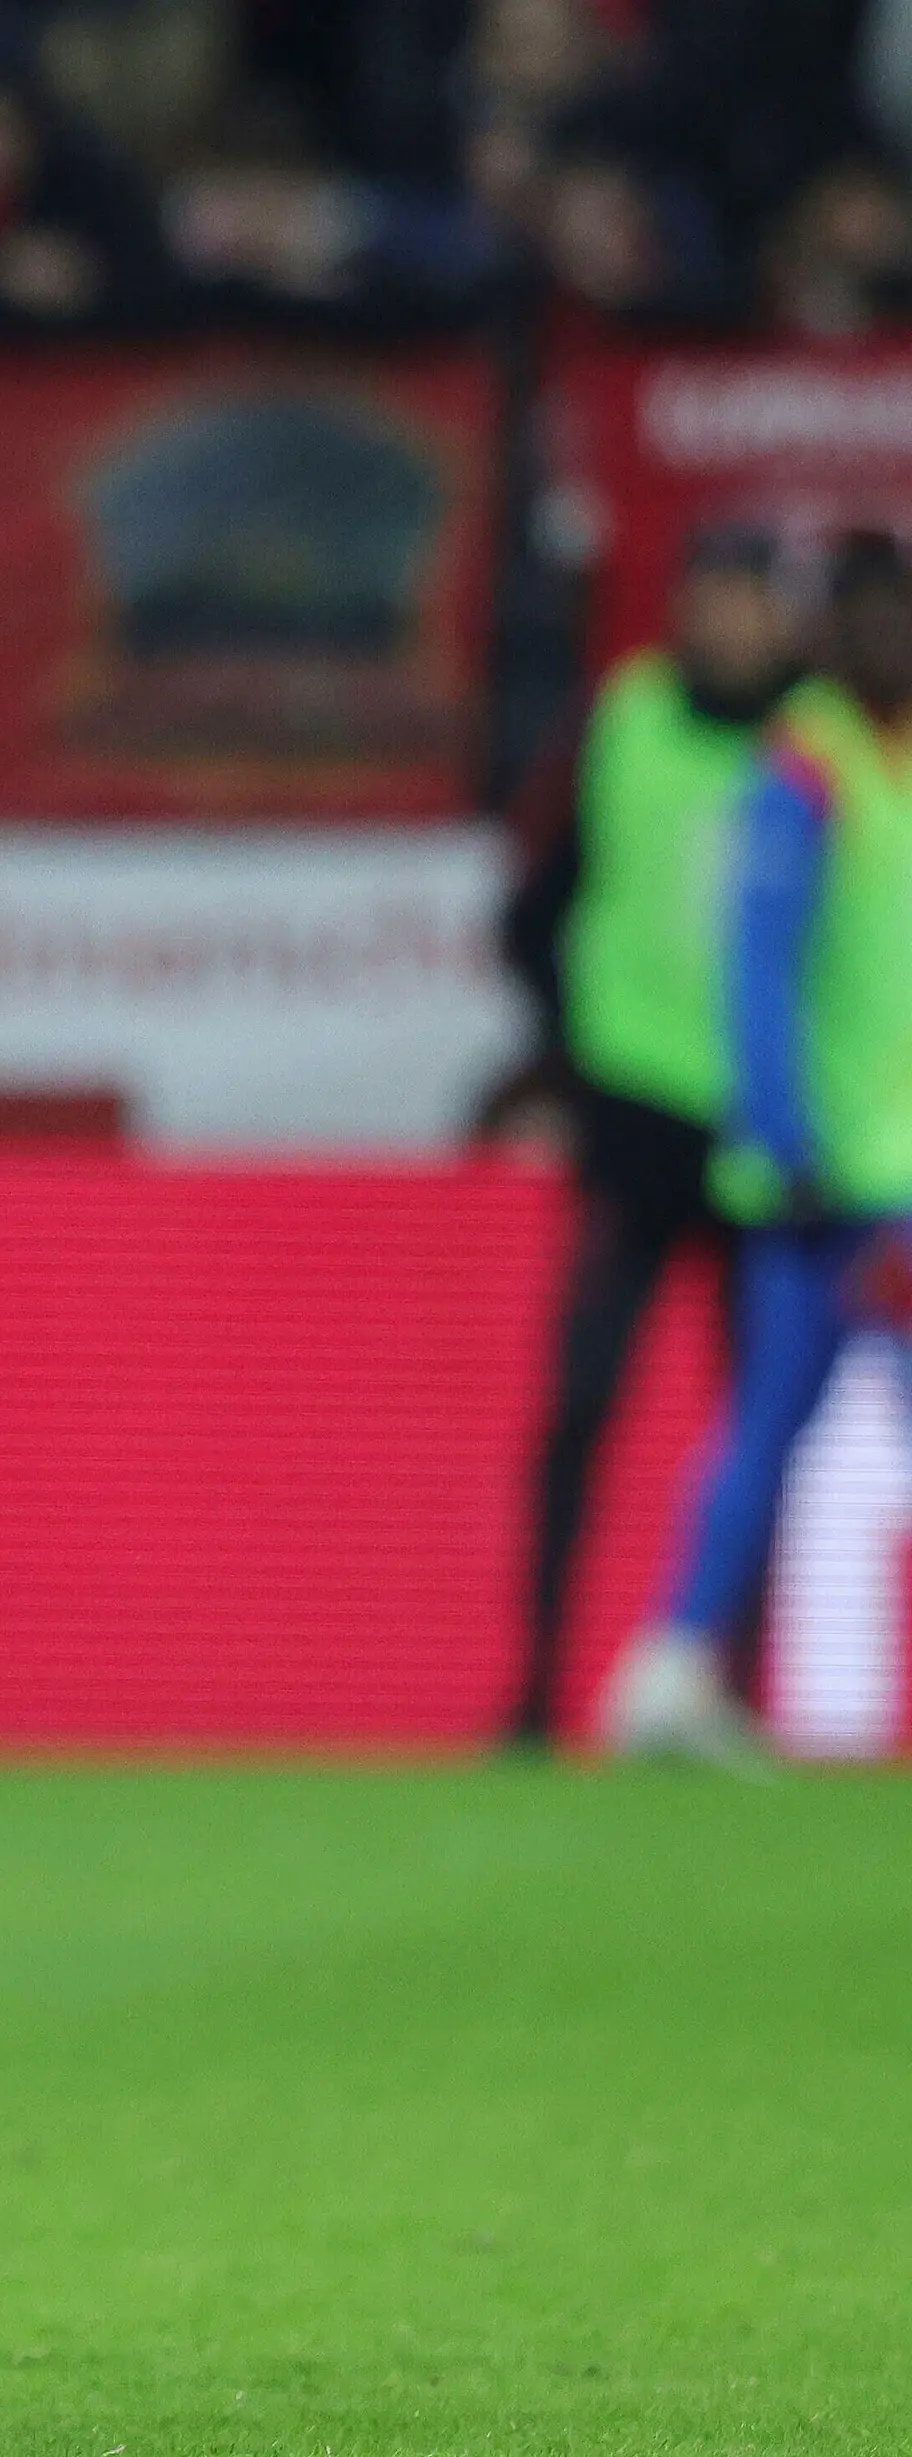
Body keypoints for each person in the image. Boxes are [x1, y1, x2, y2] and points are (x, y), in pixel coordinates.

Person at [602, 532, 912, 1759]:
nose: (890, 641)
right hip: (823, 1175)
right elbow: (758, 971)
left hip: (903, 1164)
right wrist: (786, 1142)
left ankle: (679, 1664)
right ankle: (671, 1669)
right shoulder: (804, 767)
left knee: (788, 1417)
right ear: (830, 636)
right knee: (772, 1416)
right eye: (869, 620)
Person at [501, 522, 796, 1747]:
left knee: (761, 1427)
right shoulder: (622, 721)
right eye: (707, 593)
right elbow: (535, 905)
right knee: (581, 1406)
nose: (723, 622)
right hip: (633, 1125)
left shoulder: (822, 745)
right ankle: (533, 1690)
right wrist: (568, 1058)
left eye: (745, 599)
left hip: (778, 1136)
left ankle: (731, 1691)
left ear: (784, 620)